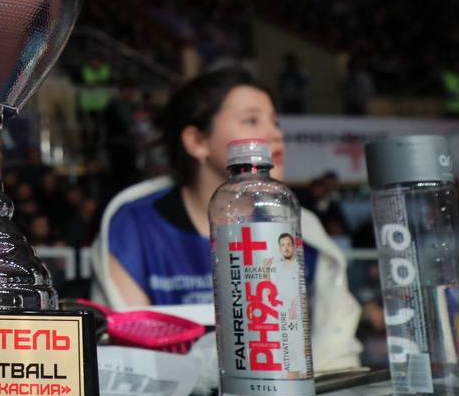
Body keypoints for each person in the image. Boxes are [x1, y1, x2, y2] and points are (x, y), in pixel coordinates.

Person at [90, 68, 362, 371]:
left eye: (275, 122)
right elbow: (127, 359)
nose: (275, 134)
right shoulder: (134, 226)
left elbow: (336, 357)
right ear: (197, 141)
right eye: (251, 120)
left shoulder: (303, 229)